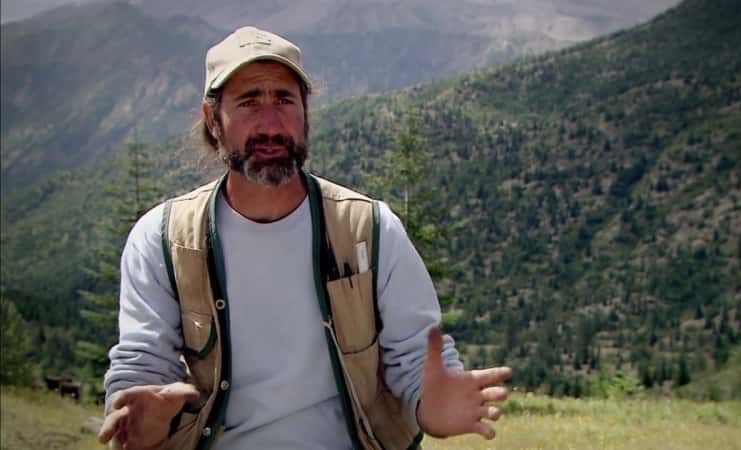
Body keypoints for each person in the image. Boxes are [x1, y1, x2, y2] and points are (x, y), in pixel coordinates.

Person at [99, 26, 512, 450]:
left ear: (305, 112)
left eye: (284, 99)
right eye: (248, 102)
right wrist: (136, 420)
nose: (270, 123)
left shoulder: (368, 230)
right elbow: (141, 366)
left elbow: (418, 357)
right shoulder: (165, 240)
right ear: (212, 120)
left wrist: (432, 405)